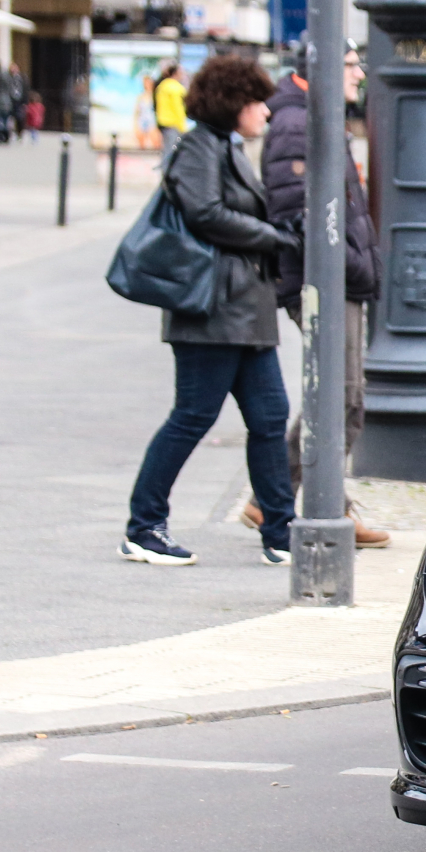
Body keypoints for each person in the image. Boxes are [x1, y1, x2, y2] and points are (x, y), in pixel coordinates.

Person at [122, 55, 299, 567]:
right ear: (232, 104)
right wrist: (275, 237)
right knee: (192, 417)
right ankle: (143, 526)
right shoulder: (198, 149)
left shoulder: (226, 148)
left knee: (269, 417)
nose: (265, 111)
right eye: (255, 102)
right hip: (212, 311)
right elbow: (205, 214)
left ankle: (281, 532)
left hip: (245, 310)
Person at [255, 45, 389, 547]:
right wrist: (346, 265)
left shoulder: (315, 115)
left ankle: (305, 498)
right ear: (327, 70)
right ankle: (309, 501)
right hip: (326, 281)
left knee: (340, 398)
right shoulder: (296, 121)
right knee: (339, 399)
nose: (359, 74)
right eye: (352, 65)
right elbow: (296, 211)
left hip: (338, 276)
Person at [153, 62, 187, 167]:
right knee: (171, 152)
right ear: (176, 73)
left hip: (163, 123)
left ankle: (165, 173)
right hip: (174, 123)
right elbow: (178, 108)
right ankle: (168, 177)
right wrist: (182, 126)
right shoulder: (176, 88)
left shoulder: (161, 86)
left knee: (167, 150)